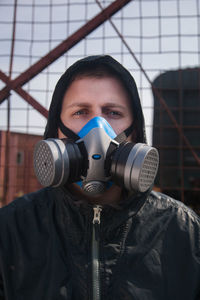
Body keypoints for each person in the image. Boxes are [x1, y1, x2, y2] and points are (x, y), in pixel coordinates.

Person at [0, 55, 199, 300]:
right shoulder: (10, 230)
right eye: (81, 112)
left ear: (135, 131)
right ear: (56, 129)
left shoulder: (183, 231)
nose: (98, 128)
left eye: (113, 112)